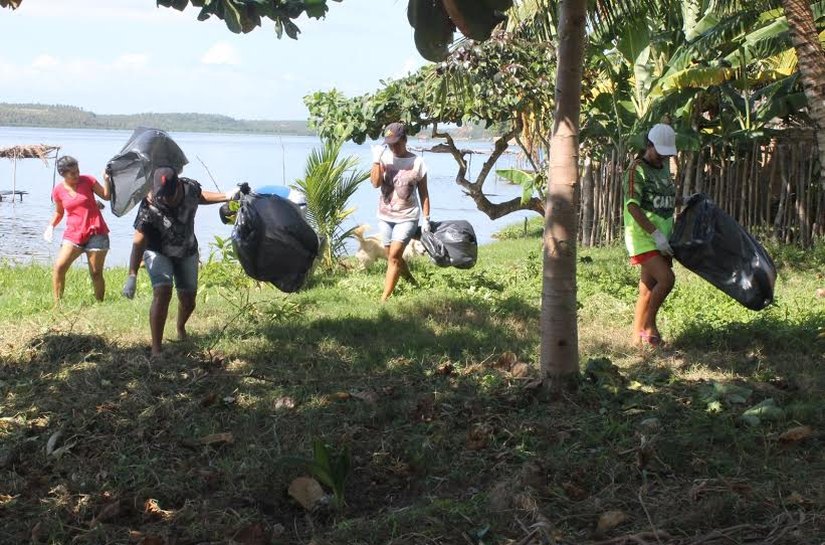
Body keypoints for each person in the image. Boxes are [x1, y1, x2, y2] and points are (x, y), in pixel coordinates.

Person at [121, 166, 240, 357]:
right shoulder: (150, 204)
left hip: (187, 250)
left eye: (168, 194)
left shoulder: (190, 188)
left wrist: (226, 195)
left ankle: (180, 327)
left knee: (188, 300)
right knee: (163, 292)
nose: (164, 198)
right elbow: (138, 241)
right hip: (157, 250)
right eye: (161, 194)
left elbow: (200, 197)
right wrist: (132, 275)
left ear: (179, 185)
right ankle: (156, 349)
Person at [623, 123, 678, 348]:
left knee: (646, 290)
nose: (662, 158)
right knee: (667, 279)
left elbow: (665, 197)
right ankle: (650, 326)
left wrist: (684, 201)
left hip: (663, 236)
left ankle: (636, 340)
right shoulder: (637, 170)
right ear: (649, 145)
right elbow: (633, 206)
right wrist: (655, 234)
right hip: (644, 237)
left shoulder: (664, 167)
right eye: (659, 153)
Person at [370, 122, 431, 302]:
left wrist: (426, 218)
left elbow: (424, 193)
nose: (393, 147)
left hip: (408, 216)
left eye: (397, 142)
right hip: (385, 216)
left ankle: (384, 299)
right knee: (392, 256)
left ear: (405, 139)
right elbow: (375, 184)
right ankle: (411, 281)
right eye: (389, 144)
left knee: (395, 255)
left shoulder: (417, 162)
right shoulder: (384, 158)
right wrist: (376, 160)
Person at [43, 155, 111, 303]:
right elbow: (59, 212)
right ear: (63, 174)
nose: (77, 175)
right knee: (59, 267)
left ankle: (100, 304)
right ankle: (57, 305)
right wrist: (51, 226)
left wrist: (106, 179)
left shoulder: (88, 180)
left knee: (95, 272)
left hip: (96, 232)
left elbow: (106, 196)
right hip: (73, 234)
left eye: (77, 170)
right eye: (72, 173)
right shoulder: (58, 191)